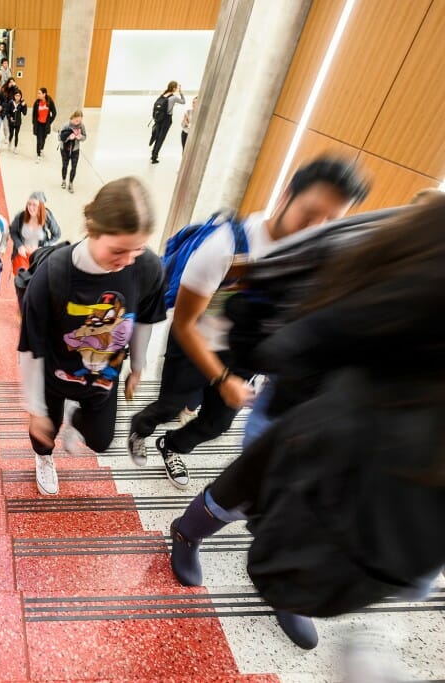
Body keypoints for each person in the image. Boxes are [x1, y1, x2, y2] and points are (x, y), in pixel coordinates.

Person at [168, 196, 445, 650]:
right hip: (306, 415)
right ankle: (189, 529)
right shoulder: (381, 258)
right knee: (250, 490)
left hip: (381, 448)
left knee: (306, 511)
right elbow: (272, 335)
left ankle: (287, 581)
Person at [128, 156, 371, 489]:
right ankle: (140, 428)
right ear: (286, 195)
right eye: (310, 214)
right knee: (171, 405)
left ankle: (171, 446)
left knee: (217, 424)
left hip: (242, 354)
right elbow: (184, 324)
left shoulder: (312, 258)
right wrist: (222, 378)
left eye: (329, 221)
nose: (316, 228)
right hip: (194, 343)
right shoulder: (226, 246)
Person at [18, 177, 165, 497]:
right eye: (118, 250)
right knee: (43, 435)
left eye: (137, 248)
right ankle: (44, 459)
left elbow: (144, 318)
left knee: (100, 441)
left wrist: (138, 366)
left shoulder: (148, 267)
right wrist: (35, 408)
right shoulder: (53, 275)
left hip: (104, 374)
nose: (128, 261)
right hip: (55, 374)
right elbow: (30, 346)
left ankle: (76, 415)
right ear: (92, 228)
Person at [9, 191, 61, 308]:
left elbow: (57, 234)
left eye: (34, 205)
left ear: (41, 206)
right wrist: (19, 245)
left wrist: (43, 246)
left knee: (34, 283)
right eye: (29, 204)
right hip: (21, 256)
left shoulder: (47, 218)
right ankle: (22, 306)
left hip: (38, 256)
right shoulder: (21, 216)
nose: (31, 208)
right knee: (21, 282)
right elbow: (13, 231)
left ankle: (32, 304)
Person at [149, 80, 185, 163]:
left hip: (158, 119)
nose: (177, 89)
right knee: (161, 138)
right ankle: (154, 156)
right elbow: (183, 102)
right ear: (174, 88)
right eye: (176, 87)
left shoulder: (163, 95)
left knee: (158, 137)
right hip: (166, 119)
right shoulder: (173, 97)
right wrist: (181, 93)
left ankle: (153, 153)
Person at [59, 110, 88, 193]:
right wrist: (68, 137)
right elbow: (60, 137)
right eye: (77, 120)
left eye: (80, 121)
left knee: (74, 167)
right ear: (73, 117)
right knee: (65, 165)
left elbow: (85, 136)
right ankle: (64, 180)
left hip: (75, 149)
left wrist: (80, 137)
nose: (78, 122)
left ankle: (71, 183)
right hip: (64, 149)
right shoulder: (66, 125)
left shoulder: (81, 126)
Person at [31, 87, 57, 162]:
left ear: (44, 94)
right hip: (38, 124)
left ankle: (41, 149)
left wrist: (49, 122)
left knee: (44, 139)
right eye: (38, 93)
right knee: (39, 140)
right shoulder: (37, 102)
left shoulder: (49, 101)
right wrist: (34, 123)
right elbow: (34, 114)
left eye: (39, 93)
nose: (38, 95)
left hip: (45, 124)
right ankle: (38, 155)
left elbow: (54, 113)